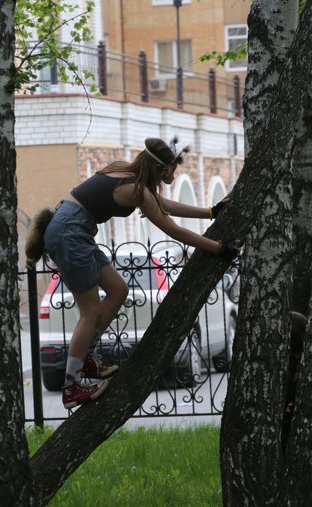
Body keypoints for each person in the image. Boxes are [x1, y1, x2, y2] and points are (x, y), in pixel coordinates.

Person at [25, 137, 238, 409]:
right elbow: (173, 229)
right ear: (160, 169)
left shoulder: (124, 171)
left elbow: (163, 204)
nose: (171, 176)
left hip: (75, 228)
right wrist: (219, 248)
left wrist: (210, 212)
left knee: (118, 290)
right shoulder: (135, 188)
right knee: (90, 312)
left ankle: (87, 359)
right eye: (170, 171)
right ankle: (71, 386)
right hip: (69, 233)